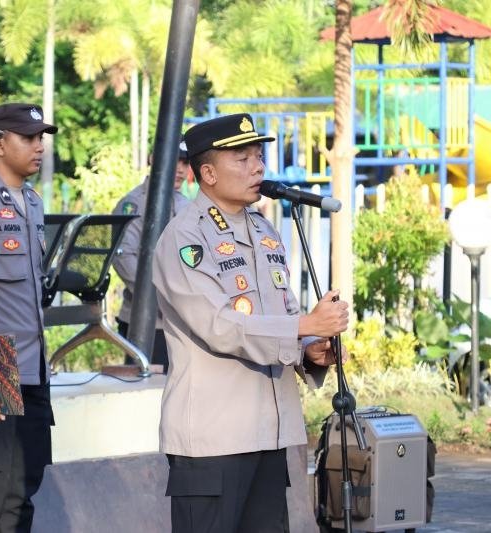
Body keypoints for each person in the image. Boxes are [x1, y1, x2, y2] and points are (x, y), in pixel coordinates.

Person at [152, 113, 350, 533]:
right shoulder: (185, 238)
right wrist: (301, 326)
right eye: (241, 158)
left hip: (269, 434)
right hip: (213, 438)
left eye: (258, 156)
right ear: (207, 173)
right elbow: (219, 324)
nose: (258, 167)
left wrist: (310, 347)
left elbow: (282, 314)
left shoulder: (264, 231)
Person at [0, 102, 57, 533]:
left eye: (41, 138)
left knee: (28, 482)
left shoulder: (33, 202)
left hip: (34, 361)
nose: (39, 147)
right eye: (29, 138)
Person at [111, 142, 191, 371]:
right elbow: (124, 259)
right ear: (153, 160)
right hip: (146, 322)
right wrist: (162, 297)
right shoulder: (133, 204)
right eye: (175, 160)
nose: (180, 169)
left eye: (185, 162)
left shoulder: (187, 205)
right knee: (146, 396)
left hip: (183, 322)